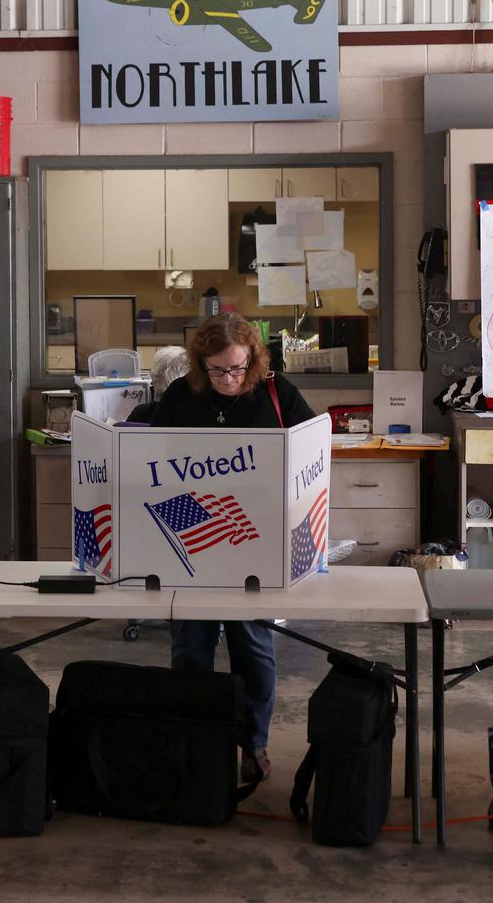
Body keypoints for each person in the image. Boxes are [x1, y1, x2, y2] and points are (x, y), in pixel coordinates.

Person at [149, 313, 315, 785]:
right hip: (191, 535)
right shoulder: (182, 396)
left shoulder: (276, 392)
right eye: (219, 370)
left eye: (239, 369)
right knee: (191, 650)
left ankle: (253, 744)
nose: (229, 379)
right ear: (202, 363)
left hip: (255, 535)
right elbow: (149, 463)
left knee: (253, 648)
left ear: (254, 360)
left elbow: (311, 450)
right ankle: (198, 740)